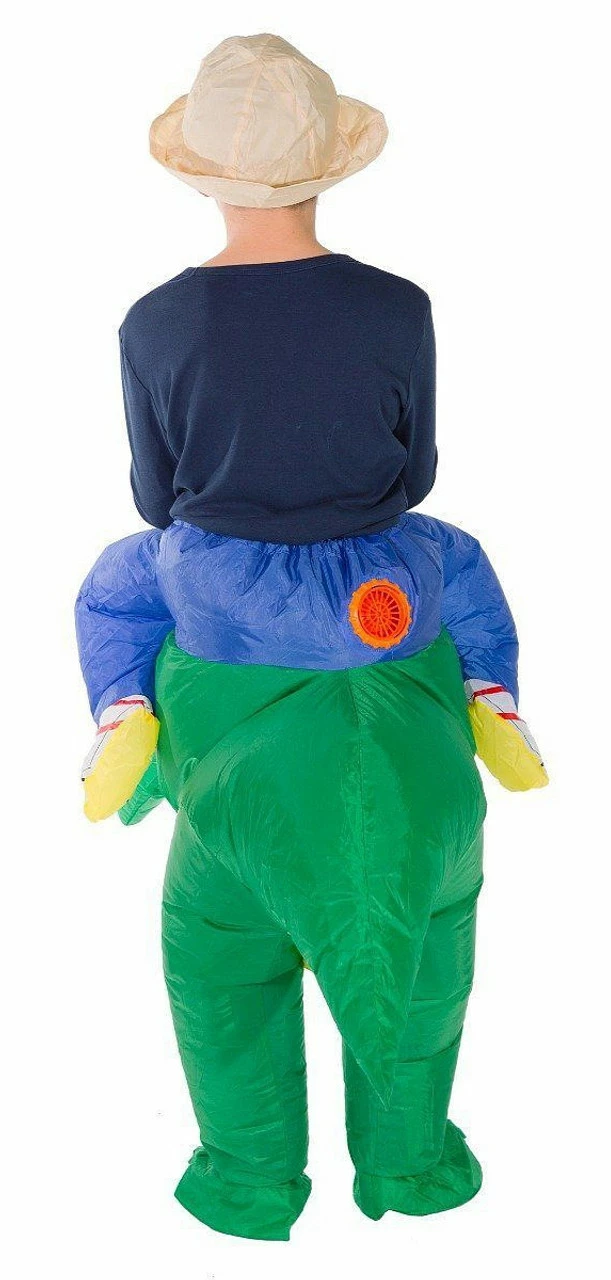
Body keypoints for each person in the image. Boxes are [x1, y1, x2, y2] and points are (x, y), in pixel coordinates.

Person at [76, 34, 547, 1241]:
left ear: (200, 175)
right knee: (462, 572)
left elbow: (156, 495)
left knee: (117, 587)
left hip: (222, 605)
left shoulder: (154, 321)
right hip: (380, 599)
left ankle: (123, 718)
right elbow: (413, 469)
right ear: (331, 165)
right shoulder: (398, 306)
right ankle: (492, 706)